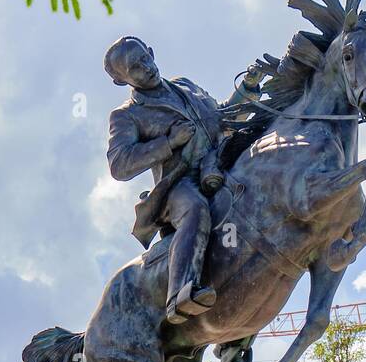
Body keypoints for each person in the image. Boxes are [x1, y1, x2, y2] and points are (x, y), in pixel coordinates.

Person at [103, 36, 267, 324]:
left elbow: (224, 117)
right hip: (180, 185)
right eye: (135, 67)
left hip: (219, 165)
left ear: (152, 52)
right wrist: (168, 142)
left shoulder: (186, 85)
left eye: (145, 58)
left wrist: (249, 87)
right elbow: (119, 165)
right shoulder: (126, 116)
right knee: (195, 210)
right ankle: (180, 295)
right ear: (122, 81)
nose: (146, 67)